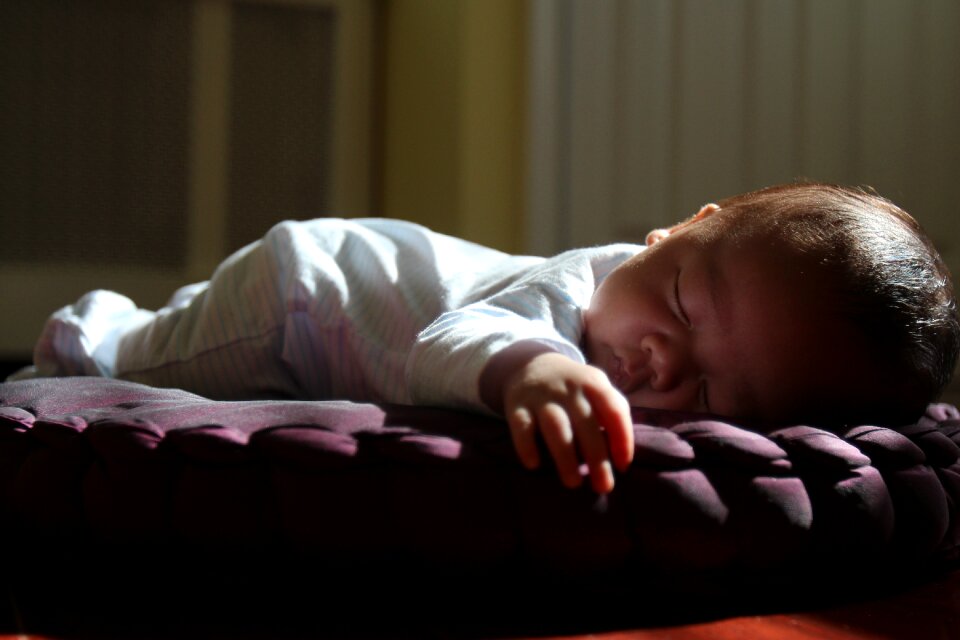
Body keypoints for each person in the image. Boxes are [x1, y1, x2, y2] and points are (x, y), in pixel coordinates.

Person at [14, 182, 960, 495]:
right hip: (311, 294)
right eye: (680, 298)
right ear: (672, 233)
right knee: (149, 364)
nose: (662, 359)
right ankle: (84, 327)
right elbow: (454, 338)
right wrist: (537, 367)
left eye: (714, 394)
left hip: (336, 302)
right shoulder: (575, 289)